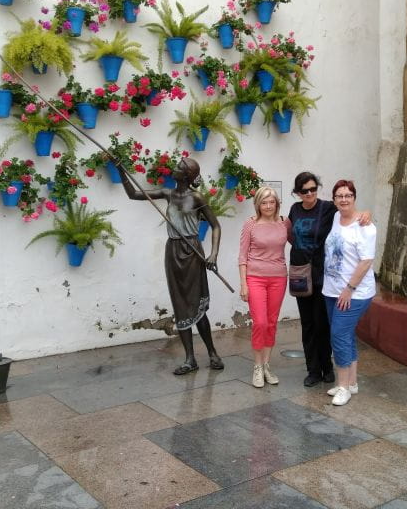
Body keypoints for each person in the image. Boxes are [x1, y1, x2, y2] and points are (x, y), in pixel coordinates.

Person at [118, 156, 224, 375]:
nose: (174, 168)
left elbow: (215, 226)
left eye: (179, 167)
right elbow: (133, 194)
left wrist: (213, 254)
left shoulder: (196, 197)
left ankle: (212, 352)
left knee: (196, 305)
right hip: (173, 251)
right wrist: (121, 171)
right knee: (180, 305)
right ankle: (190, 359)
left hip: (192, 252)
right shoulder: (167, 193)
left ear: (187, 175)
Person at [288, 172, 370, 387]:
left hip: (324, 277)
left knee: (322, 324)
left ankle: (327, 367)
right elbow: (289, 233)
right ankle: (313, 370)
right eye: (304, 190)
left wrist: (366, 214)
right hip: (300, 275)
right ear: (297, 192)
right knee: (307, 324)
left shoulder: (328, 208)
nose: (310, 194)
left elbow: (350, 212)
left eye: (313, 189)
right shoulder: (294, 209)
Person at [322, 179, 376, 406]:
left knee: (338, 335)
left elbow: (366, 261)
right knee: (346, 335)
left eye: (348, 195)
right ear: (334, 199)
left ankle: (342, 385)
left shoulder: (365, 227)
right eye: (339, 196)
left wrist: (349, 289)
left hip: (355, 293)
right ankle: (351, 383)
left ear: (354, 197)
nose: (344, 199)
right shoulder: (336, 217)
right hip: (332, 291)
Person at [238, 186, 291, 388]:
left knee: (271, 322)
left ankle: (267, 365)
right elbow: (242, 256)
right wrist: (244, 284)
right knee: (259, 322)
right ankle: (257, 367)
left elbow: (302, 240)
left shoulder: (284, 222)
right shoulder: (250, 224)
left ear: (277, 203)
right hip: (255, 278)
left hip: (278, 278)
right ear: (258, 204)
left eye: (272, 202)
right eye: (264, 202)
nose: (268, 206)